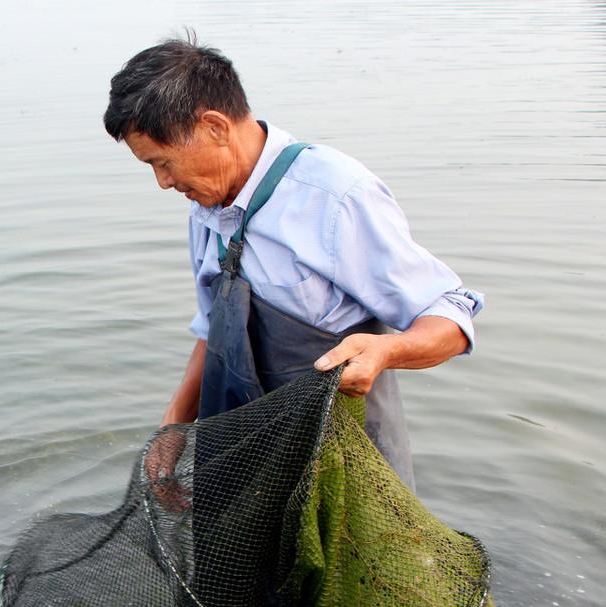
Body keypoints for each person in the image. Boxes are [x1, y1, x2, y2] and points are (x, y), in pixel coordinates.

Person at [104, 38, 483, 487]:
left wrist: (386, 350)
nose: (163, 183)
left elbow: (451, 318)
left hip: (344, 463)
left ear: (214, 127)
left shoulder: (335, 196)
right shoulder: (206, 207)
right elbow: (213, 329)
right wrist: (173, 428)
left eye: (164, 163)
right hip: (247, 448)